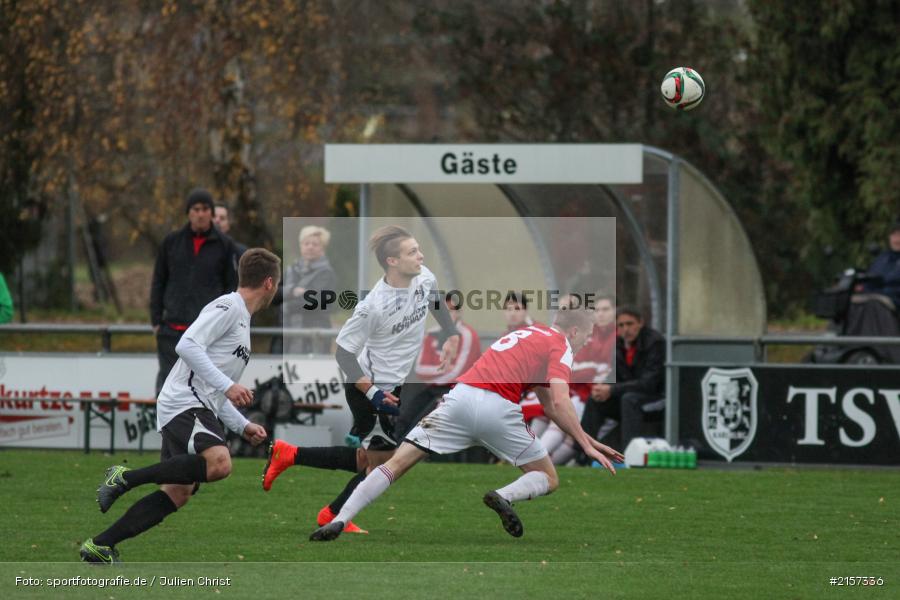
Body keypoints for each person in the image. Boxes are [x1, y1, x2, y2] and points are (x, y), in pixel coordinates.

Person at [307, 307, 624, 542]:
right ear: (573, 331)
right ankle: (503, 495)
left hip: (459, 399)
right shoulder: (561, 345)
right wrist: (584, 445)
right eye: (588, 333)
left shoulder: (527, 335)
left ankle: (341, 518)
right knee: (547, 477)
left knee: (395, 465)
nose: (588, 339)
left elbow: (548, 404)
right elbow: (561, 399)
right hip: (498, 409)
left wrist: (587, 439)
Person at [80, 249, 281, 563]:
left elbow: (214, 393)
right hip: (184, 401)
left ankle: (100, 545)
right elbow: (186, 344)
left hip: (195, 403)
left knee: (178, 492)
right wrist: (229, 385)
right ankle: (124, 477)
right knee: (220, 463)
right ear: (270, 283)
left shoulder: (241, 319)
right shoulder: (229, 305)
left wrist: (242, 425)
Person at [262, 225, 460, 534]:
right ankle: (326, 505)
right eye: (412, 252)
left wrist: (450, 333)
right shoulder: (372, 306)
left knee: (377, 460)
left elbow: (434, 299)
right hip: (368, 387)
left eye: (419, 249)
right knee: (386, 463)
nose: (421, 256)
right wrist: (373, 394)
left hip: (393, 385)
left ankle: (294, 460)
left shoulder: (423, 276)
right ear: (392, 262)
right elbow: (343, 354)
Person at [150, 189, 238, 395]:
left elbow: (231, 287)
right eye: (196, 209)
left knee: (200, 389)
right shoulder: (171, 242)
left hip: (205, 333)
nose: (200, 214)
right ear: (188, 212)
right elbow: (159, 281)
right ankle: (167, 428)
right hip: (171, 331)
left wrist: (223, 324)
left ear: (211, 212)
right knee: (169, 387)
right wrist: (155, 320)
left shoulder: (225, 246)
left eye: (205, 209)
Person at [541, 293, 616, 464]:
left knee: (563, 422)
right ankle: (537, 460)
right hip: (576, 391)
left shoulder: (590, 335)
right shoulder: (566, 335)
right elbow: (577, 369)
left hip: (589, 393)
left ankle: (540, 461)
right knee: (554, 418)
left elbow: (591, 369)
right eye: (598, 310)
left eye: (606, 309)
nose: (601, 314)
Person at [398, 292, 482, 439]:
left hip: (458, 390)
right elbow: (419, 368)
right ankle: (390, 453)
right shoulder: (431, 333)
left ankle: (410, 455)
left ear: (459, 313)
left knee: (426, 423)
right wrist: (443, 369)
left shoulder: (468, 334)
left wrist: (435, 373)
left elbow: (458, 373)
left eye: (451, 311)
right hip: (432, 387)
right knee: (405, 416)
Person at [580, 306, 665, 451]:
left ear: (640, 323)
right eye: (621, 325)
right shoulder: (618, 344)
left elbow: (649, 383)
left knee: (629, 399)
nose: (626, 329)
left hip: (657, 398)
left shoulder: (655, 343)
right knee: (595, 399)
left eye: (630, 324)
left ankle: (629, 454)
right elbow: (616, 374)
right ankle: (584, 452)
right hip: (629, 395)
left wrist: (612, 389)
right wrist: (602, 387)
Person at [283, 225, 337, 354]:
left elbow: (315, 302)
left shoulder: (327, 273)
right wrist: (293, 291)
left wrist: (288, 302)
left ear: (322, 248)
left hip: (315, 334)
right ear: (301, 245)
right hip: (289, 331)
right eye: (306, 243)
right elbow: (275, 294)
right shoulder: (291, 269)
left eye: (315, 244)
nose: (310, 247)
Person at [503, 292, 549, 436]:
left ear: (525, 310)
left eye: (517, 309)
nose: (512, 314)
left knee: (536, 409)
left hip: (538, 387)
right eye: (508, 309)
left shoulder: (537, 330)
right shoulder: (505, 335)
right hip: (515, 388)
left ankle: (529, 450)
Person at [864, 219, 900, 310]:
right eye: (894, 235)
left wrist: (881, 293)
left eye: (899, 235)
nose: (897, 239)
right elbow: (870, 278)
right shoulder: (882, 258)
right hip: (874, 299)